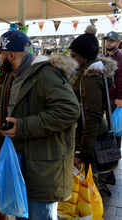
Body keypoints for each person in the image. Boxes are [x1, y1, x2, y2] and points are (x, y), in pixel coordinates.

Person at [0, 30, 80, 220]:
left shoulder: (46, 74)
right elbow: (1, 93)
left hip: (43, 166)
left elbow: (69, 110)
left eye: (1, 55)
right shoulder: (16, 75)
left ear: (10, 55)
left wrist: (22, 126)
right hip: (24, 160)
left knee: (40, 215)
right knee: (22, 212)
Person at [69, 26, 117, 172]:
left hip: (90, 135)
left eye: (74, 55)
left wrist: (86, 150)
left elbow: (93, 115)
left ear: (84, 57)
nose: (71, 58)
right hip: (88, 132)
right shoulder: (84, 72)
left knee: (88, 180)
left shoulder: (91, 77)